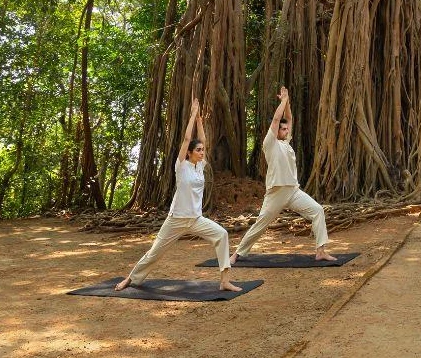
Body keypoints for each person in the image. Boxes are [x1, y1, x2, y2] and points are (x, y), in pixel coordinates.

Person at [115, 98, 241, 292]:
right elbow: (185, 140)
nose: (201, 152)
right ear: (189, 153)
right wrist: (191, 116)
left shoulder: (200, 167)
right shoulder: (181, 166)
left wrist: (200, 119)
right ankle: (131, 279)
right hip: (176, 219)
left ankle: (224, 281)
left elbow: (204, 140)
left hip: (196, 219)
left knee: (222, 235)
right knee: (155, 252)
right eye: (198, 150)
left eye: (202, 151)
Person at [231, 86, 335, 264]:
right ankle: (237, 254)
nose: (287, 131)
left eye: (287, 129)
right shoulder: (269, 143)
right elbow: (277, 118)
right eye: (283, 129)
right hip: (276, 193)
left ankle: (320, 250)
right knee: (261, 225)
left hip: (293, 191)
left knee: (317, 211)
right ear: (276, 131)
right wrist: (283, 101)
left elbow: (289, 118)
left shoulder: (286, 143)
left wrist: (288, 101)